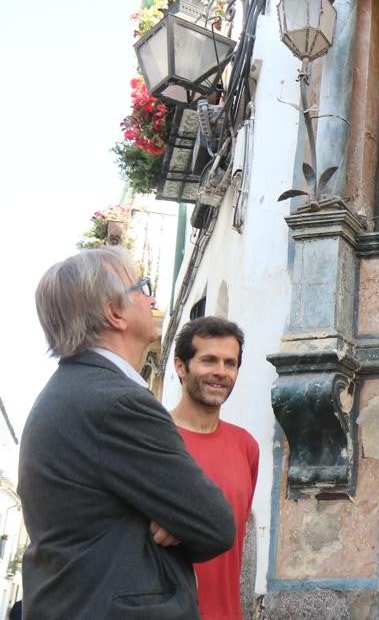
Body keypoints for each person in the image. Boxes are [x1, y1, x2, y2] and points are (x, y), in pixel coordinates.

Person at [20, 246, 235, 618]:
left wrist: (175, 515)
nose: (151, 298)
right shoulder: (116, 403)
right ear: (114, 313)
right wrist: (179, 517)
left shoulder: (74, 391)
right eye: (142, 287)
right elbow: (214, 523)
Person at [170, 316, 260, 620]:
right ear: (181, 367)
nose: (221, 373)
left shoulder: (246, 447)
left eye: (230, 363)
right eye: (209, 360)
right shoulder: (153, 439)